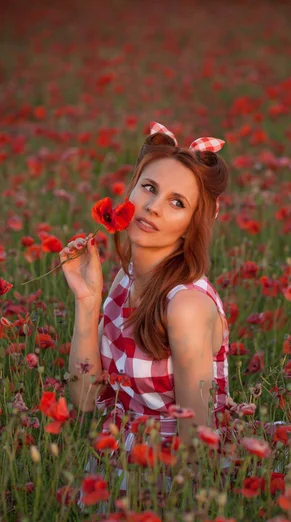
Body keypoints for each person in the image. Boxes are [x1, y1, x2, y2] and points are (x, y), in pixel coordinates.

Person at [59, 122, 232, 497]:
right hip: (116, 461)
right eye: (149, 188)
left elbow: (197, 439)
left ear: (192, 224)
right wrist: (87, 302)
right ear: (132, 189)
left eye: (177, 202)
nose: (152, 207)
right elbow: (86, 398)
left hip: (169, 476)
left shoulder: (185, 305)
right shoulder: (126, 278)